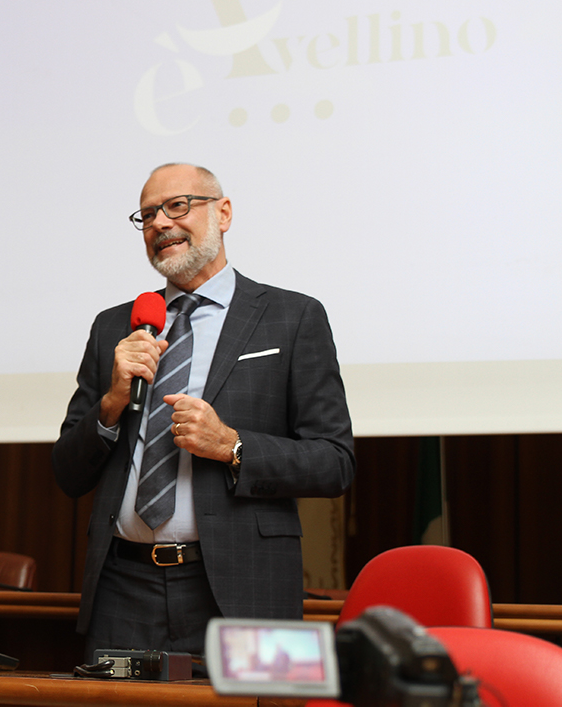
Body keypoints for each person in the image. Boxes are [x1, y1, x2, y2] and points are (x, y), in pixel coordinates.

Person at [52, 163, 355, 660]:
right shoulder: (115, 327)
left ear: (224, 213)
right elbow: (67, 472)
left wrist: (232, 445)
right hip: (122, 586)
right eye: (147, 215)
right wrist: (109, 404)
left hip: (248, 587)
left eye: (178, 206)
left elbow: (335, 462)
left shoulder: (293, 317)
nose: (160, 225)